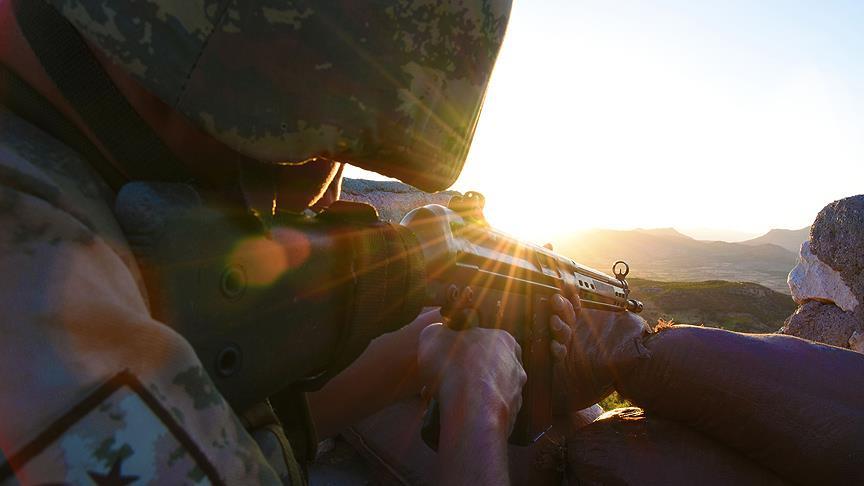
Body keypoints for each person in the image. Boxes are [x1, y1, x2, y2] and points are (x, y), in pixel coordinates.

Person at [0, 0, 565, 484]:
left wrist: (433, 344)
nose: (332, 187)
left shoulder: (57, 171)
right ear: (248, 96)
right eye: (332, 145)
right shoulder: (47, 310)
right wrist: (479, 406)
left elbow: (233, 398)